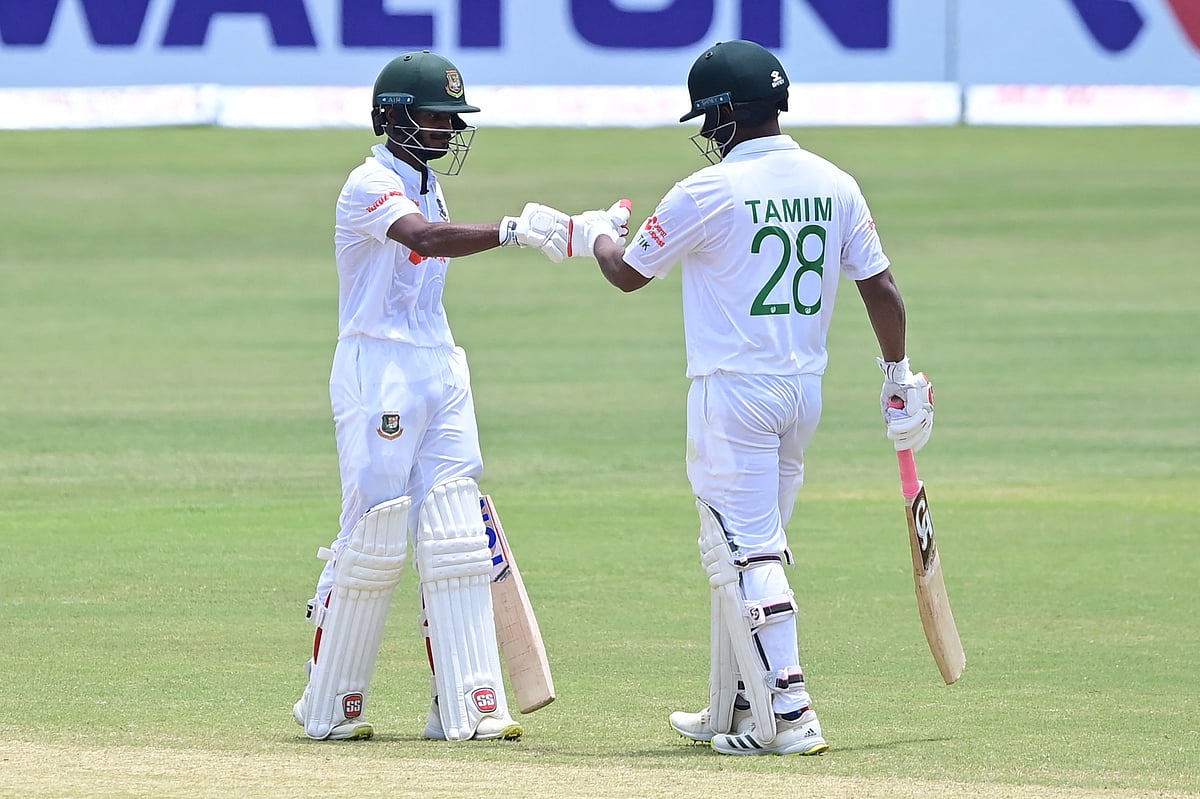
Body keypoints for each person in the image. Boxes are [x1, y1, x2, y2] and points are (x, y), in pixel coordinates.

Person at [578, 39, 935, 756]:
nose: (706, 135)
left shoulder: (705, 191)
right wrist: (899, 375)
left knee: (748, 553)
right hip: (803, 392)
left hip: (732, 392)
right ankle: (733, 709)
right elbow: (882, 289)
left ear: (728, 117)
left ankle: (794, 711)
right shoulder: (836, 182)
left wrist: (596, 236)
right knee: (739, 550)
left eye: (709, 120)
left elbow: (628, 275)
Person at [292, 49, 629, 743]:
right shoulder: (366, 183)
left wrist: (575, 232)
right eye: (433, 116)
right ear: (390, 117)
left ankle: (464, 702)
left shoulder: (427, 183)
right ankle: (327, 700)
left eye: (452, 118)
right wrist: (514, 230)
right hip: (377, 367)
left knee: (454, 531)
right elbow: (423, 239)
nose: (446, 129)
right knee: (375, 533)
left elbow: (436, 235)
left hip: (440, 365)